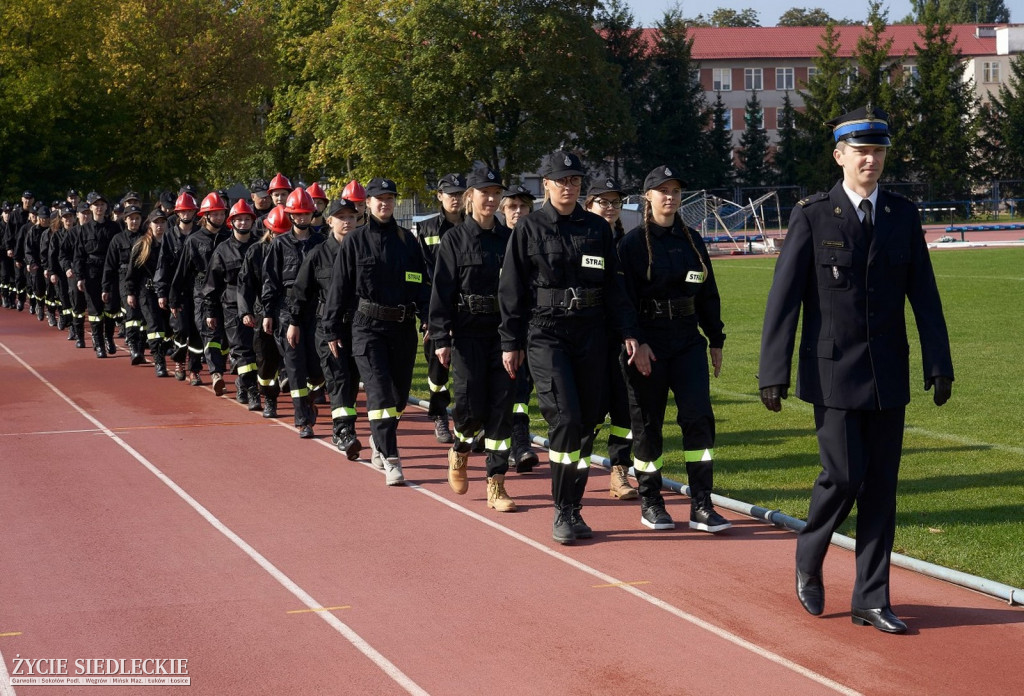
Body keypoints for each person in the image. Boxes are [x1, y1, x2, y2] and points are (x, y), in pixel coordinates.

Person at [758, 106, 954, 634]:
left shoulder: (901, 215)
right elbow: (784, 301)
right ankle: (809, 552)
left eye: (879, 151)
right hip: (833, 374)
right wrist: (771, 370)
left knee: (882, 489)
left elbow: (925, 296)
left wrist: (939, 362)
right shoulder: (812, 214)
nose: (870, 159)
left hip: (888, 372)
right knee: (843, 476)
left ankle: (871, 597)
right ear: (839, 155)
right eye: (860, 150)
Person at [498, 150, 648, 544]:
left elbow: (615, 288)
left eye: (575, 181)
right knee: (564, 419)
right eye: (562, 180)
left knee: (583, 425)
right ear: (545, 184)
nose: (569, 186)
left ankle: (574, 507)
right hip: (546, 333)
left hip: (592, 334)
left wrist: (629, 332)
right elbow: (511, 290)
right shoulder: (528, 229)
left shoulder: (597, 229)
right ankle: (563, 510)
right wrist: (510, 342)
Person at [618, 166, 729, 533]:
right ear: (647, 196)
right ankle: (651, 501)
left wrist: (715, 339)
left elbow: (708, 294)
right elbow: (624, 301)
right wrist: (637, 341)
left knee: (698, 419)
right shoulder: (632, 245)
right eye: (662, 190)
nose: (670, 196)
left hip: (687, 342)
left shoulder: (694, 240)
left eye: (676, 191)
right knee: (647, 425)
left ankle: (702, 504)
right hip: (648, 343)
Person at [324, 178, 429, 486]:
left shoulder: (407, 241)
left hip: (402, 329)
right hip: (367, 329)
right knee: (379, 394)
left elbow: (419, 281)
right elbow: (339, 286)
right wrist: (331, 328)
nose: (385, 203)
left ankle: (379, 438)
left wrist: (427, 318)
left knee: (398, 397)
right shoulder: (354, 241)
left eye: (390, 198)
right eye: (378, 199)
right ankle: (391, 457)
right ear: (367, 204)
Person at [429, 166, 517, 511]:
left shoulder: (510, 239)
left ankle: (496, 484)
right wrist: (440, 337)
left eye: (497, 193)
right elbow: (441, 292)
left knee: (501, 409)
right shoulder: (454, 240)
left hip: (502, 334)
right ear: (471, 197)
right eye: (485, 193)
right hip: (466, 334)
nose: (492, 199)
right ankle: (460, 450)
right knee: (470, 408)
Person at [289, 198, 362, 457]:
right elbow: (300, 292)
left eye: (351, 216)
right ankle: (343, 431)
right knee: (339, 377)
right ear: (329, 221)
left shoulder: (365, 251)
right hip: (329, 328)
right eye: (341, 217)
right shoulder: (318, 255)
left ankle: (345, 423)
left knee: (353, 379)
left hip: (361, 327)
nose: (347, 221)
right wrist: (294, 322)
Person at [585, 177, 639, 502]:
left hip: (624, 338)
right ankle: (575, 468)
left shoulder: (628, 245)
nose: (609, 208)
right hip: (589, 338)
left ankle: (619, 472)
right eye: (602, 202)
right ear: (589, 205)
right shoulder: (582, 241)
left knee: (625, 409)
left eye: (614, 202)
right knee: (590, 409)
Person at [262, 187, 326, 438]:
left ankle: (312, 397)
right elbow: (270, 280)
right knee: (295, 365)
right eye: (296, 214)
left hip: (317, 311)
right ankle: (303, 420)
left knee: (318, 365)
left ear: (313, 214)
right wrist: (268, 312)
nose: (301, 218)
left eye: (305, 213)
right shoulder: (278, 245)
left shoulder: (322, 243)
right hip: (287, 312)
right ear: (290, 215)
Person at [417, 173, 466, 444]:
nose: (455, 198)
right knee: (438, 370)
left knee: (466, 370)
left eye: (460, 193)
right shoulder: (425, 230)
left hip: (468, 311)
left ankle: (465, 419)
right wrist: (428, 318)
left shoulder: (474, 227)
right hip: (436, 312)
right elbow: (420, 276)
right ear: (439, 196)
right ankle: (439, 416)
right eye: (450, 194)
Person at [498, 185, 540, 472]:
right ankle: (503, 438)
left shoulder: (539, 239)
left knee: (522, 387)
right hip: (497, 327)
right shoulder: (494, 241)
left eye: (523, 207)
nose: (518, 212)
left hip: (534, 325)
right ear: (503, 211)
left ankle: (520, 443)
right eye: (512, 207)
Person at [169, 192, 230, 389]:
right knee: (203, 331)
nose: (219, 218)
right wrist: (174, 298)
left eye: (222, 214)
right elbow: (182, 271)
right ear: (206, 216)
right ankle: (205, 371)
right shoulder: (194, 240)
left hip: (227, 290)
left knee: (226, 335)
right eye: (215, 214)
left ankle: (219, 366)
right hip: (201, 291)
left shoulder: (229, 237)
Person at [204, 199, 258, 402]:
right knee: (241, 349)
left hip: (257, 305)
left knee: (257, 349)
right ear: (231, 222)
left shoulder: (260, 246)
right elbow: (211, 285)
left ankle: (242, 384)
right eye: (239, 219)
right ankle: (251, 389)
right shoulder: (222, 251)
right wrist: (210, 312)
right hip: (232, 306)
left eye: (247, 219)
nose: (243, 223)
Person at [238, 204, 289, 417]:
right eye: (276, 233)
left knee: (297, 360)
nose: (279, 238)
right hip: (263, 313)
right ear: (269, 231)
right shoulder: (256, 251)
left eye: (283, 234)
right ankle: (269, 398)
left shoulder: (296, 250)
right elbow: (245, 284)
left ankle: (305, 405)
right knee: (266, 362)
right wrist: (246, 311)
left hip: (290, 313)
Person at [157, 192, 201, 380]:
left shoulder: (200, 235)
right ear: (177, 213)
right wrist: (162, 292)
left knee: (197, 331)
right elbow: (163, 265)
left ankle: (195, 370)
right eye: (182, 211)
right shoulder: (169, 236)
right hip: (177, 291)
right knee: (181, 329)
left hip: (197, 290)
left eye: (189, 210)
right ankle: (179, 360)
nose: (186, 214)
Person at [73, 192, 121, 358]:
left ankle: (109, 338)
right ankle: (99, 343)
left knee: (111, 309)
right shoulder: (84, 229)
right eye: (96, 205)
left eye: (102, 204)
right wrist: (80, 277)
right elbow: (78, 255)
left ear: (106, 207)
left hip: (111, 271)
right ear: (91, 207)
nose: (99, 208)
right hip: (92, 271)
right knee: (95, 310)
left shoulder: (114, 227)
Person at [126, 208, 172, 376]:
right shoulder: (142, 245)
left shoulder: (171, 242)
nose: (159, 226)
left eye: (162, 222)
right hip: (147, 290)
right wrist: (131, 292)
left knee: (168, 327)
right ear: (149, 224)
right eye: (156, 223)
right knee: (155, 326)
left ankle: (160, 349)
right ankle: (160, 362)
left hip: (167, 291)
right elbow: (133, 271)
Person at [103, 204, 147, 364]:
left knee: (145, 316)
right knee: (132, 314)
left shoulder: (146, 238)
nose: (134, 222)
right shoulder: (118, 239)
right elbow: (109, 265)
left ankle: (142, 348)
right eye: (131, 219)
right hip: (124, 279)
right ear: (125, 220)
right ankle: (134, 349)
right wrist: (106, 287)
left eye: (137, 218)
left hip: (143, 279)